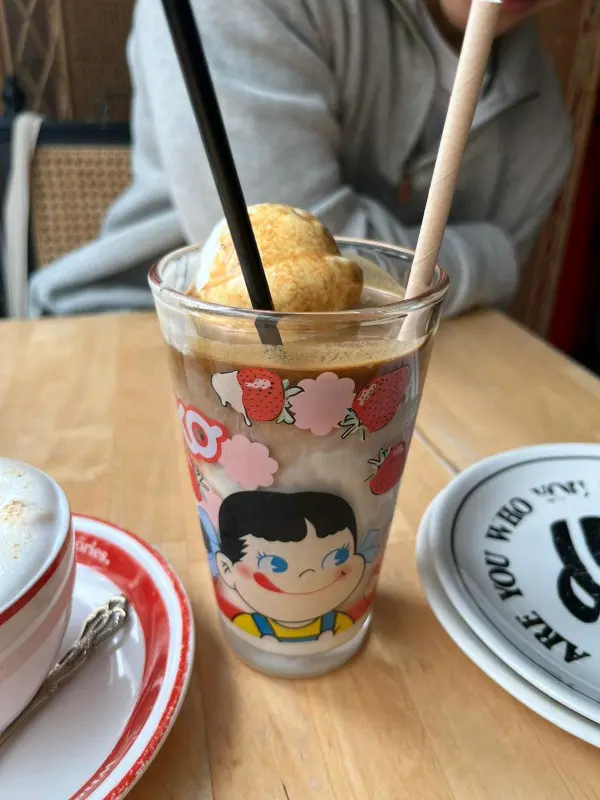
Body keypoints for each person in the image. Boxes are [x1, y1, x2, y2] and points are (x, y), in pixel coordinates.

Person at [29, 0, 571, 317]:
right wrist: (494, 257)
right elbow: (278, 280)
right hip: (127, 323)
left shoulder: (545, 124)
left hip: (400, 365)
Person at [215, 490, 366, 642]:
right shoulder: (247, 624)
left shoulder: (339, 623)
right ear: (226, 569)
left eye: (337, 557)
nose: (308, 574)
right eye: (273, 564)